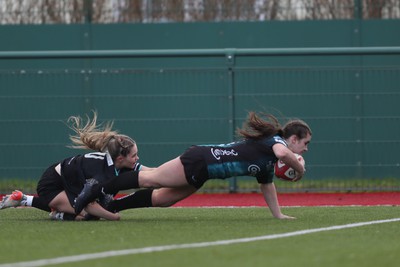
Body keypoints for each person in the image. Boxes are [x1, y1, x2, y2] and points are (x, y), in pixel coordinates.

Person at [75, 111, 312, 219]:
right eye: (305, 143)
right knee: (152, 178)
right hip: (201, 159)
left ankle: (113, 207)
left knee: (164, 200)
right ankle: (93, 191)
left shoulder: (268, 160)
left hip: (204, 172)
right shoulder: (277, 143)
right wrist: (300, 168)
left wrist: (278, 215)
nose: (305, 149)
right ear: (293, 139)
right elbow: (284, 152)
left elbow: (267, 187)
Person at [0, 111, 152, 220]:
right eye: (134, 155)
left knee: (95, 209)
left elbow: (152, 173)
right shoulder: (101, 174)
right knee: (87, 214)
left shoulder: (118, 163)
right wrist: (114, 217)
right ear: (120, 158)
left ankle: (22, 198)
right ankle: (52, 211)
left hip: (68, 180)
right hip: (52, 185)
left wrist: (172, 178)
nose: (137, 158)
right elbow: (87, 205)